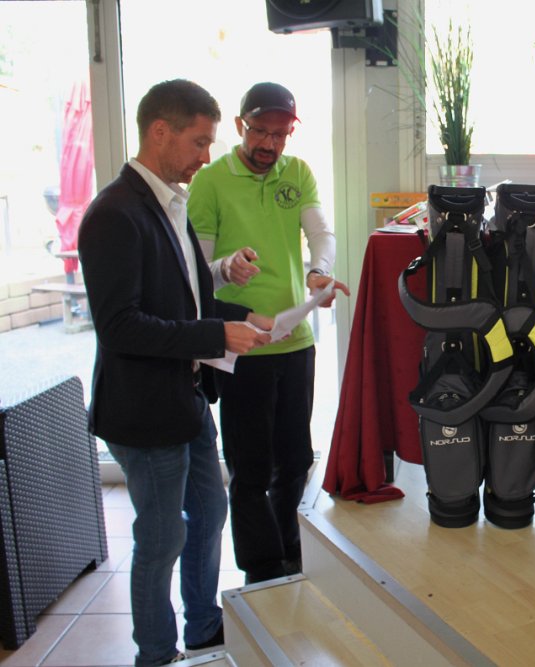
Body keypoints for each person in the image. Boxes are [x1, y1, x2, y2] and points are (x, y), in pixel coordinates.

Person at [77, 79, 273, 667]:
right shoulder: (113, 214)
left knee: (210, 513)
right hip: (142, 409)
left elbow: (183, 296)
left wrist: (240, 315)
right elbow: (121, 327)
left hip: (185, 398)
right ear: (159, 132)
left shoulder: (169, 203)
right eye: (199, 141)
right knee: (162, 539)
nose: (206, 156)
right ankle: (156, 655)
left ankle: (204, 628)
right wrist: (216, 336)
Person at [188, 82, 349, 584]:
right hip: (242, 345)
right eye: (260, 132)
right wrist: (226, 266)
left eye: (280, 135)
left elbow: (321, 232)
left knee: (296, 459)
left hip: (295, 342)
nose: (270, 144)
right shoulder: (211, 181)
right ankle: (261, 568)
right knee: (251, 467)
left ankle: (290, 551)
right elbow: (195, 273)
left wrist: (319, 272)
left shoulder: (296, 172)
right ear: (241, 126)